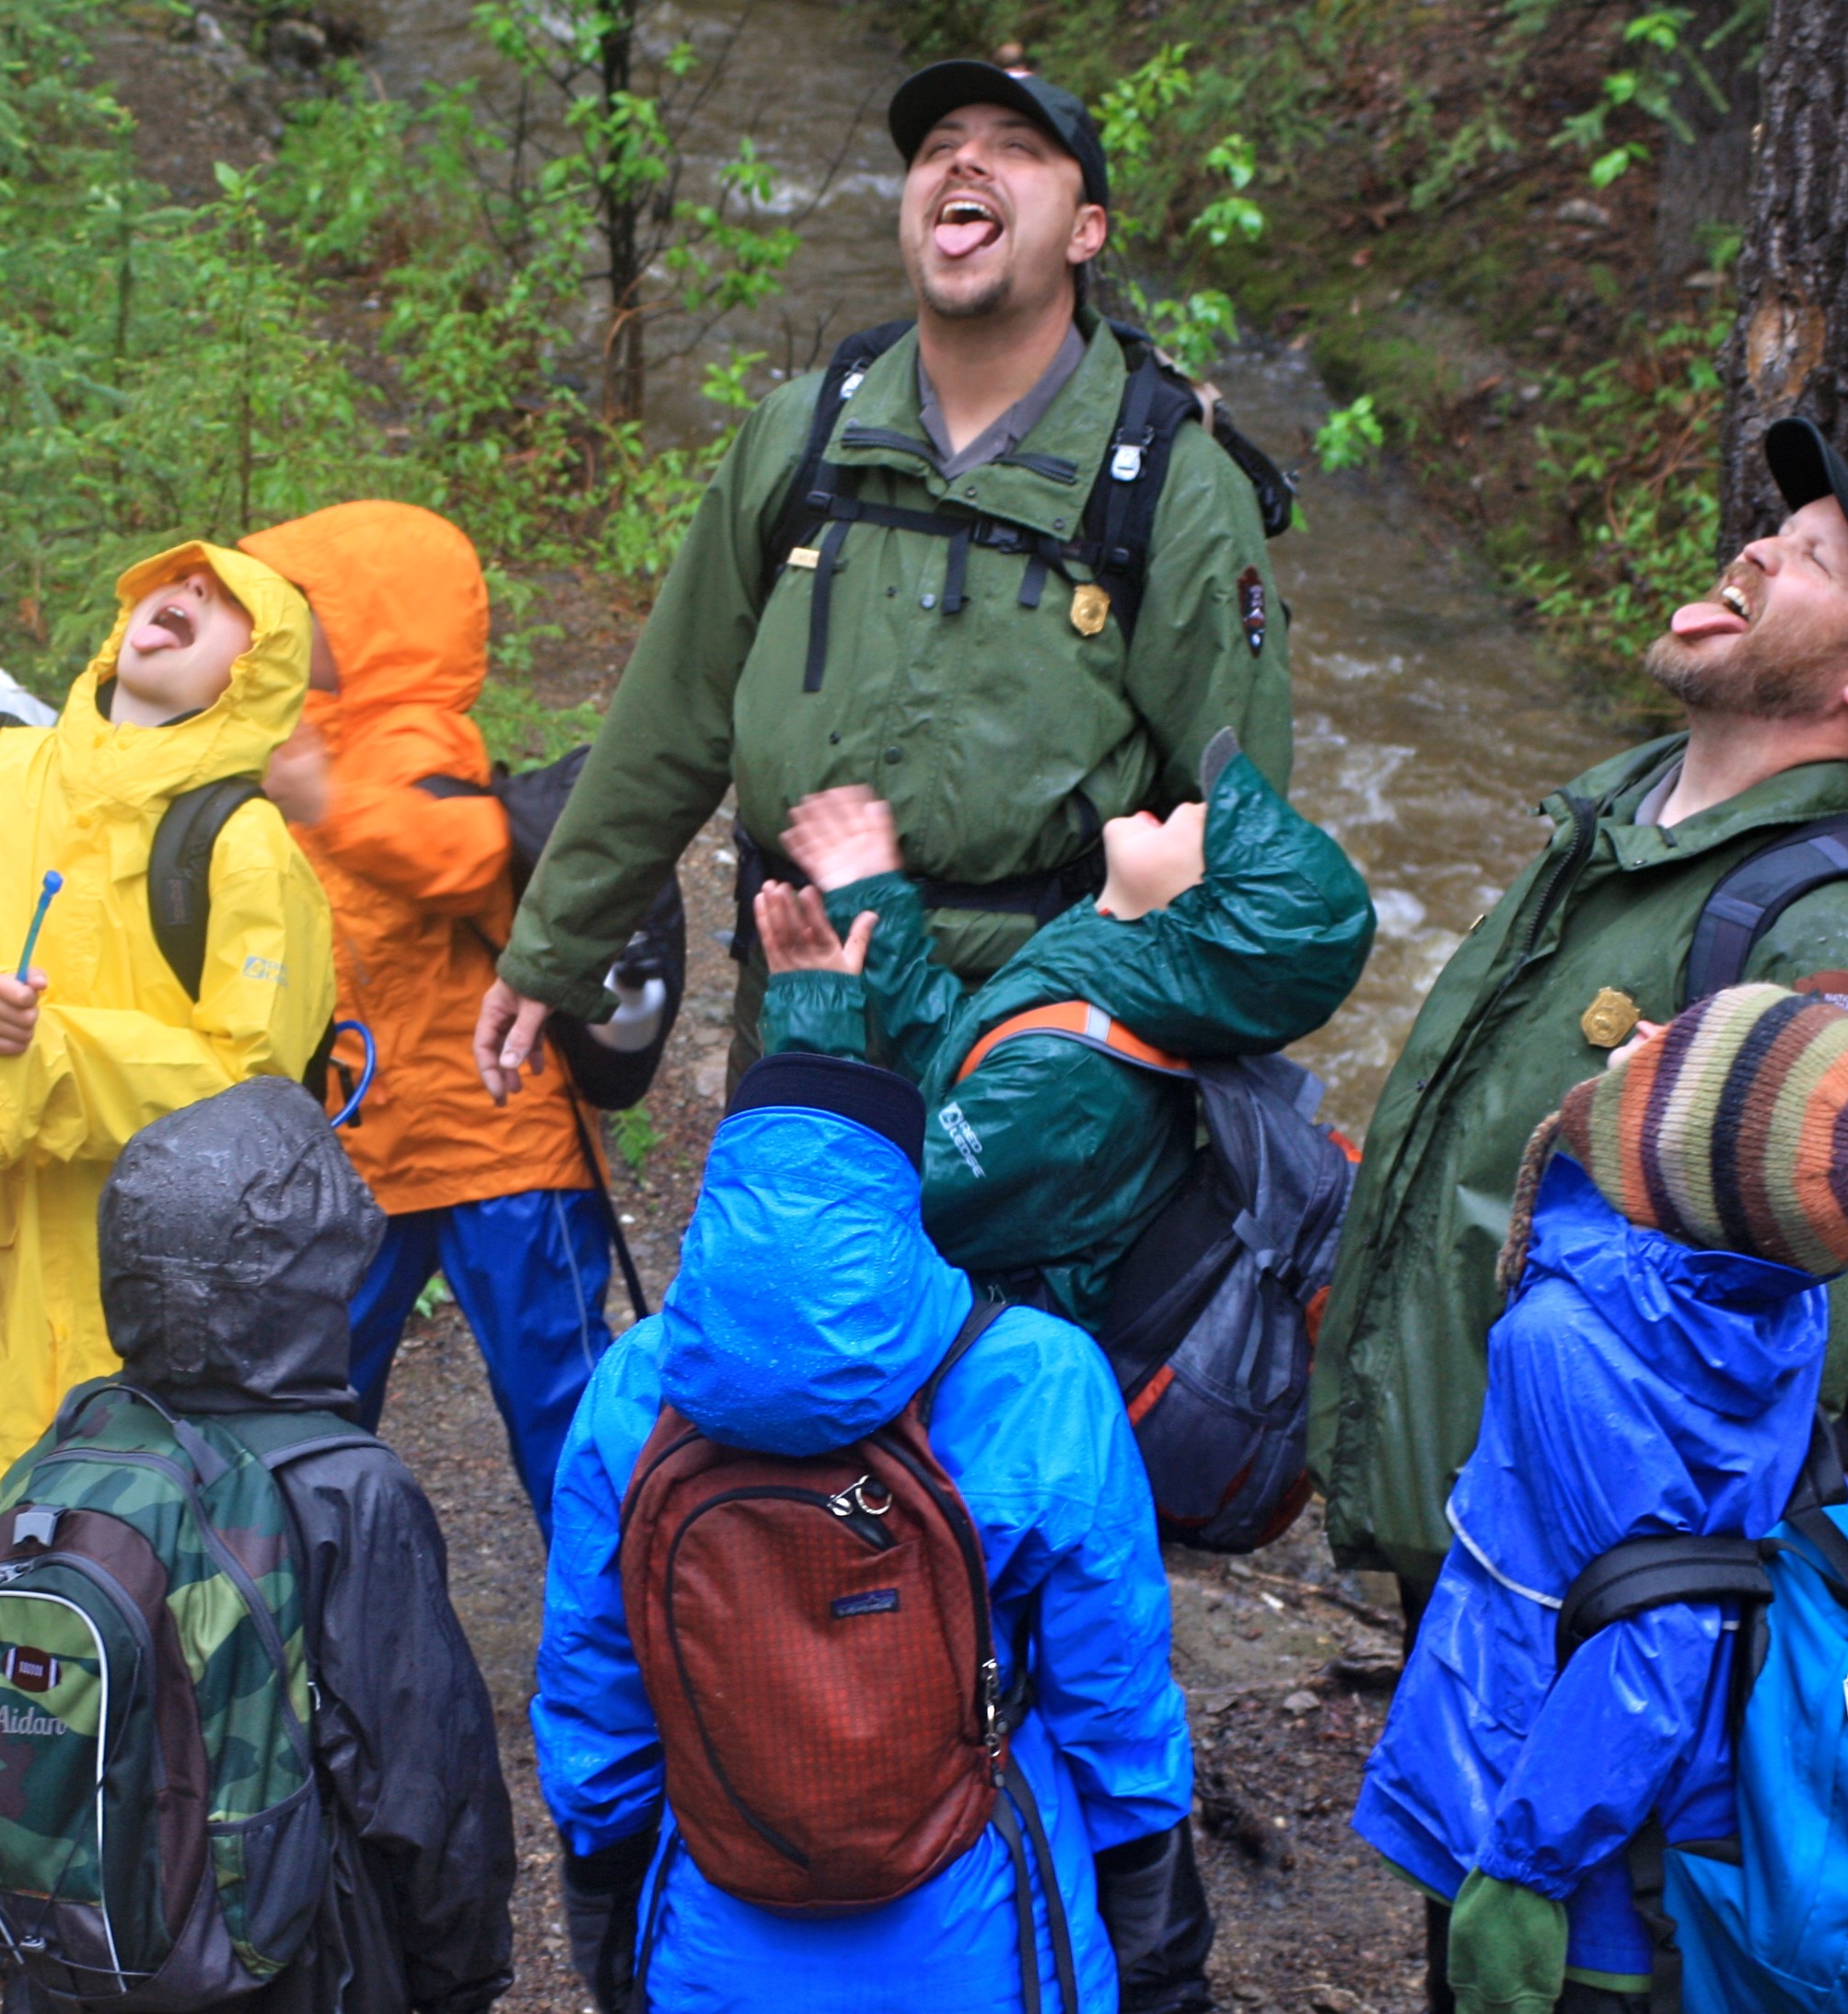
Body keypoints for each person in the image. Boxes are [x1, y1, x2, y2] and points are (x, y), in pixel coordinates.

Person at [1308, 417, 1848, 1623]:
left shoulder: (1827, 938)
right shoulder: (1627, 814)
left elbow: (1779, 1362)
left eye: (1814, 561)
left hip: (1560, 1569)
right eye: (1776, 531)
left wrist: (1592, 1588)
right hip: (1462, 1519)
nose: (1755, 550)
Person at [480, 59, 1293, 1100]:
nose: (966, 159)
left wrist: (1195, 1089)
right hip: (797, 1007)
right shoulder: (801, 435)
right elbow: (670, 719)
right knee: (785, 1265)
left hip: (1036, 1051)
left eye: (1016, 147)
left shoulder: (1173, 485)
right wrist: (554, 950)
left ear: (1086, 229)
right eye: (940, 144)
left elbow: (1245, 831)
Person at [534, 1053, 1207, 2014]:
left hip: (716, 1940)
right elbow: (1114, 1698)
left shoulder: (637, 1387)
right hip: (990, 1939)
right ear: (900, 1202)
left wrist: (603, 1906)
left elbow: (596, 1688)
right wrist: (1158, 1939)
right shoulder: (1039, 1375)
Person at [1355, 985, 1848, 2013]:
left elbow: (1653, 1637)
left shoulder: (1566, 1336)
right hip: (1665, 1800)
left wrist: (1525, 1872)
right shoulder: (1785, 1295)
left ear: (1671, 1156)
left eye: (1680, 1050)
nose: (1649, 1034)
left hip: (1543, 1805)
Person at [0, 541, 338, 1500]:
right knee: (1, 1575)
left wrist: (46, 1058)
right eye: (175, 582)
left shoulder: (244, 845)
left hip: (158, 1298)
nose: (188, 591)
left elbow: (250, 1090)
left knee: (139, 1572)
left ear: (252, 674)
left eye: (222, 602)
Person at [96, 1077, 524, 2012]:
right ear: (315, 1276)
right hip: (295, 1965)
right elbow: (429, 1792)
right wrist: (462, 1981)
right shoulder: (348, 1491)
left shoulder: (77, 1454)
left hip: (87, 1957)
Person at [240, 500, 615, 1532]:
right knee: (314, 1394)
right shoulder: (301, 739)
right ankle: (305, 1620)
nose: (279, 625)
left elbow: (465, 850)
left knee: (561, 1403)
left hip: (501, 1144)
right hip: (368, 1147)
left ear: (370, 619)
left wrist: (329, 803)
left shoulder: (410, 737)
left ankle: (622, 1637)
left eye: (302, 605)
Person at [750, 729, 1372, 1319]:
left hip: (950, 1375)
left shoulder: (1075, 1080)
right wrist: (871, 896)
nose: (1187, 807)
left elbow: (862, 1208)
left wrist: (815, 1017)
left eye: (1207, 827)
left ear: (1204, 920)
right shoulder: (1108, 979)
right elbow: (962, 1052)